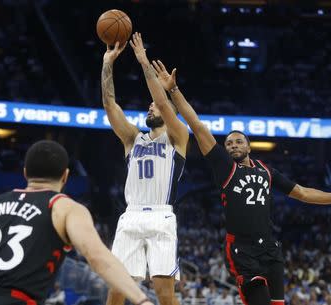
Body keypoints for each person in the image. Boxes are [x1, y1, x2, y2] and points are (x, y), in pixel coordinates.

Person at [151, 60, 331, 305]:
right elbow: (197, 125)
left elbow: (303, 193)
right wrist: (173, 90)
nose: (233, 145)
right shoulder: (225, 167)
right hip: (242, 251)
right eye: (229, 143)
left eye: (238, 142)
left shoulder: (267, 171)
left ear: (249, 146)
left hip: (270, 249)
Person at [0, 140, 154, 305]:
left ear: (26, 173)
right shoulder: (63, 206)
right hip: (15, 299)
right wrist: (141, 300)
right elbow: (97, 257)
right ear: (65, 176)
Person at [101, 32, 189, 305]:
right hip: (131, 215)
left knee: (164, 293)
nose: (151, 108)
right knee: (117, 289)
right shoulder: (132, 138)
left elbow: (163, 101)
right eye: (149, 106)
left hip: (161, 216)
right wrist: (107, 64)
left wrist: (143, 62)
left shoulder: (177, 137)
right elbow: (109, 105)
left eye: (155, 106)